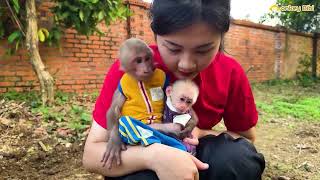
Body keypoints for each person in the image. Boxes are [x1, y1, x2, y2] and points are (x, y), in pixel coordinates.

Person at [83, 0, 265, 179]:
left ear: (221, 38)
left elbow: (246, 140)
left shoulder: (229, 71)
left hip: (192, 149)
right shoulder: (131, 72)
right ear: (155, 34)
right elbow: (91, 155)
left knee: (237, 159)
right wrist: (153, 157)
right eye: (173, 48)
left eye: (203, 50)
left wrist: (201, 132)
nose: (186, 64)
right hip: (139, 152)